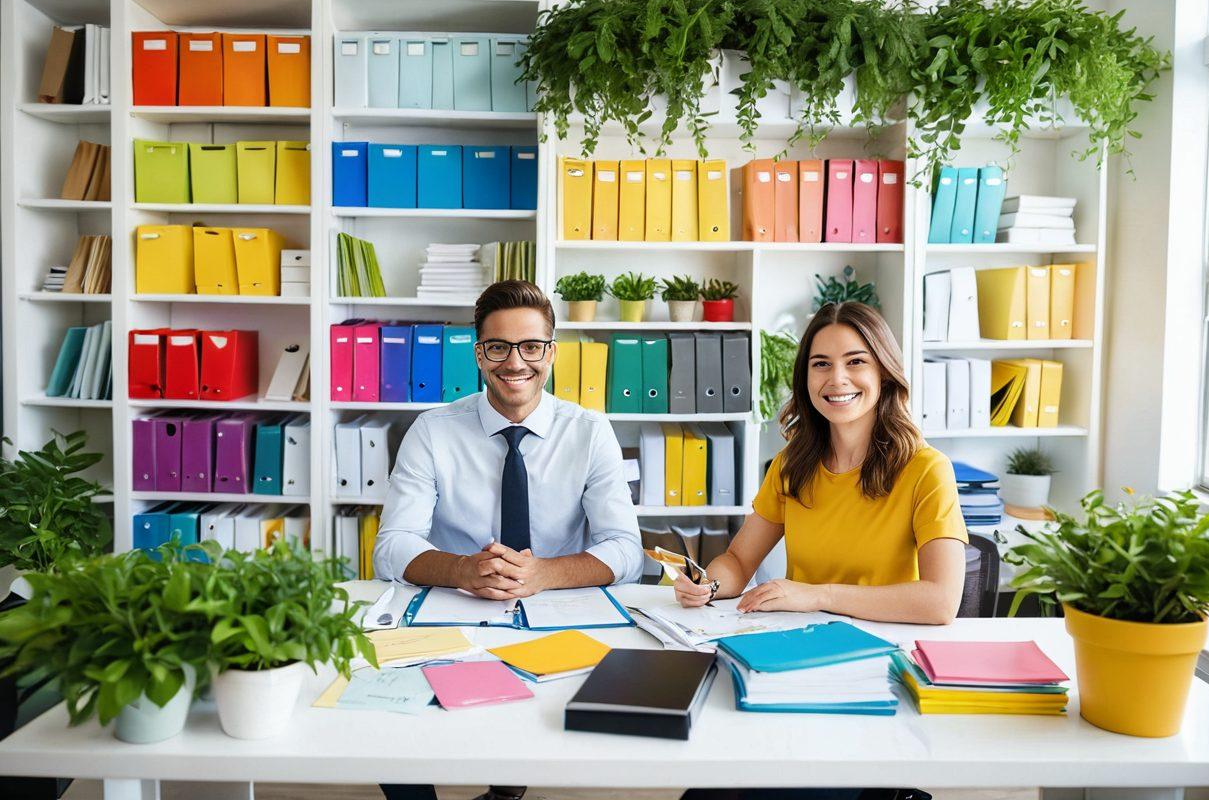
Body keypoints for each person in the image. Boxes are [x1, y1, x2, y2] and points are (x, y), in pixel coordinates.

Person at [676, 302, 966, 800]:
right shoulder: (792, 464)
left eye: (856, 361)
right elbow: (741, 561)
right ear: (806, 377)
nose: (837, 378)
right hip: (797, 661)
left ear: (884, 371)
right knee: (712, 783)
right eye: (821, 363)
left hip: (877, 670)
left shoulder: (926, 469)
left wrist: (816, 595)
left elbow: (940, 601)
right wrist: (709, 584)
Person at [374, 280, 643, 800]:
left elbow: (626, 551)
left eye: (531, 347)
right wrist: (458, 570)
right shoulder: (432, 431)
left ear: (551, 353)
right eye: (498, 347)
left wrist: (545, 573)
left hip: (554, 613)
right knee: (388, 711)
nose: (514, 362)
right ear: (478, 354)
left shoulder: (589, 431)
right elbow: (391, 546)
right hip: (453, 611)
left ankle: (505, 792)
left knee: (540, 718)